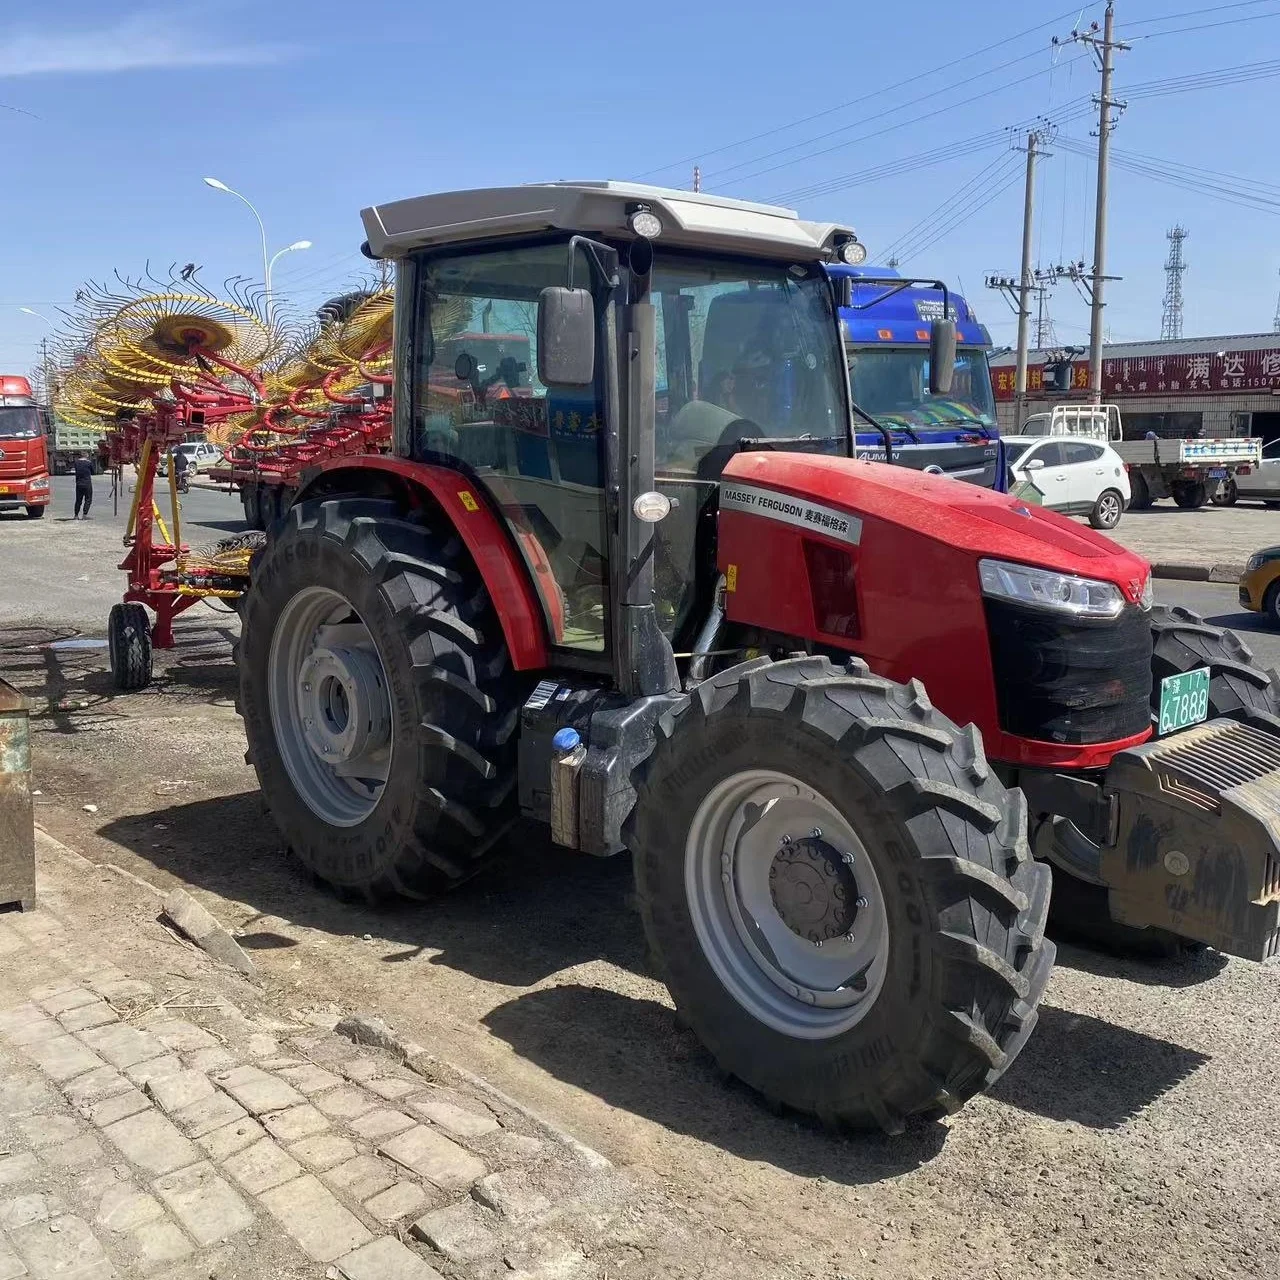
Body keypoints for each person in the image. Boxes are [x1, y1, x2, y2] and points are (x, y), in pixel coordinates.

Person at [72, 452, 95, 519]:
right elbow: (93, 472)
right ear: (86, 456)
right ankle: (84, 515)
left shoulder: (76, 463)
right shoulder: (89, 463)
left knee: (78, 500)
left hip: (79, 483)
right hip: (87, 483)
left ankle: (76, 515)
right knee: (88, 499)